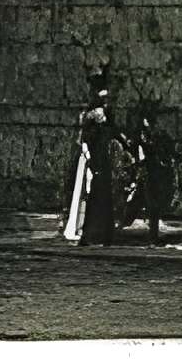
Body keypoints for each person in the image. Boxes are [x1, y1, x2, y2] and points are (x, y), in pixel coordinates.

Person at [65, 84, 117, 247]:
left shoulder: (106, 119)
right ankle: (89, 233)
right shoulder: (92, 118)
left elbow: (113, 133)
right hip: (95, 162)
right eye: (104, 100)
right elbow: (86, 140)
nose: (107, 104)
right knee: (92, 196)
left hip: (103, 162)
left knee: (103, 198)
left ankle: (104, 234)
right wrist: (90, 160)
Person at [123, 107, 177, 243]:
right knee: (142, 202)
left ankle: (151, 234)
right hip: (146, 173)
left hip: (152, 173)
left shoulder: (154, 135)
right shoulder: (142, 135)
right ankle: (124, 226)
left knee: (150, 204)